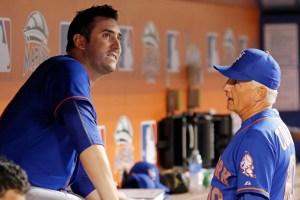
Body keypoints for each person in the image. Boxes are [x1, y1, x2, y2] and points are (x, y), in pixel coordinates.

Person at [0, 5, 127, 200]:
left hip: (32, 189)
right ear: (80, 41)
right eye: (107, 36)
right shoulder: (68, 69)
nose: (117, 46)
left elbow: (81, 177)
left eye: (118, 38)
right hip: (12, 190)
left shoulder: (71, 78)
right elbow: (88, 142)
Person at [208, 48, 296, 199]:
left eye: (235, 81)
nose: (226, 87)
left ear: (259, 93)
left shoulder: (257, 136)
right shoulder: (274, 125)